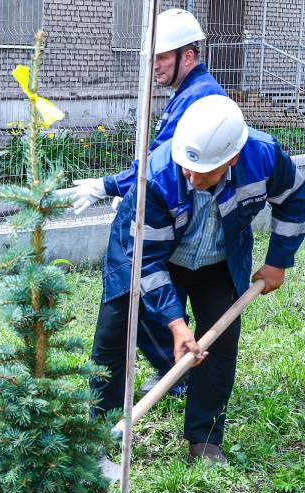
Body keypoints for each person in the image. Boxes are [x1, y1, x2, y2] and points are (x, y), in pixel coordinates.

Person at [90, 95, 305, 465]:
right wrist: (176, 323)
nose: (189, 176)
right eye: (186, 167)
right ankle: (98, 434)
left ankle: (204, 439)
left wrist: (278, 262)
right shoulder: (159, 175)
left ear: (231, 160)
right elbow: (149, 262)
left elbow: (296, 199)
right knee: (115, 331)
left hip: (219, 257)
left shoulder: (264, 156)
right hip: (148, 253)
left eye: (201, 171)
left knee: (221, 341)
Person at [72, 8, 225, 396]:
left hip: (166, 217)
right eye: (153, 57)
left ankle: (115, 400)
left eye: (162, 57)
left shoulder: (198, 100)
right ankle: (174, 368)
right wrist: (124, 190)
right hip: (163, 211)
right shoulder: (188, 93)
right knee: (143, 301)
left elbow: (162, 163)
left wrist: (111, 186)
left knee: (125, 297)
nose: (154, 66)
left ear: (187, 56)